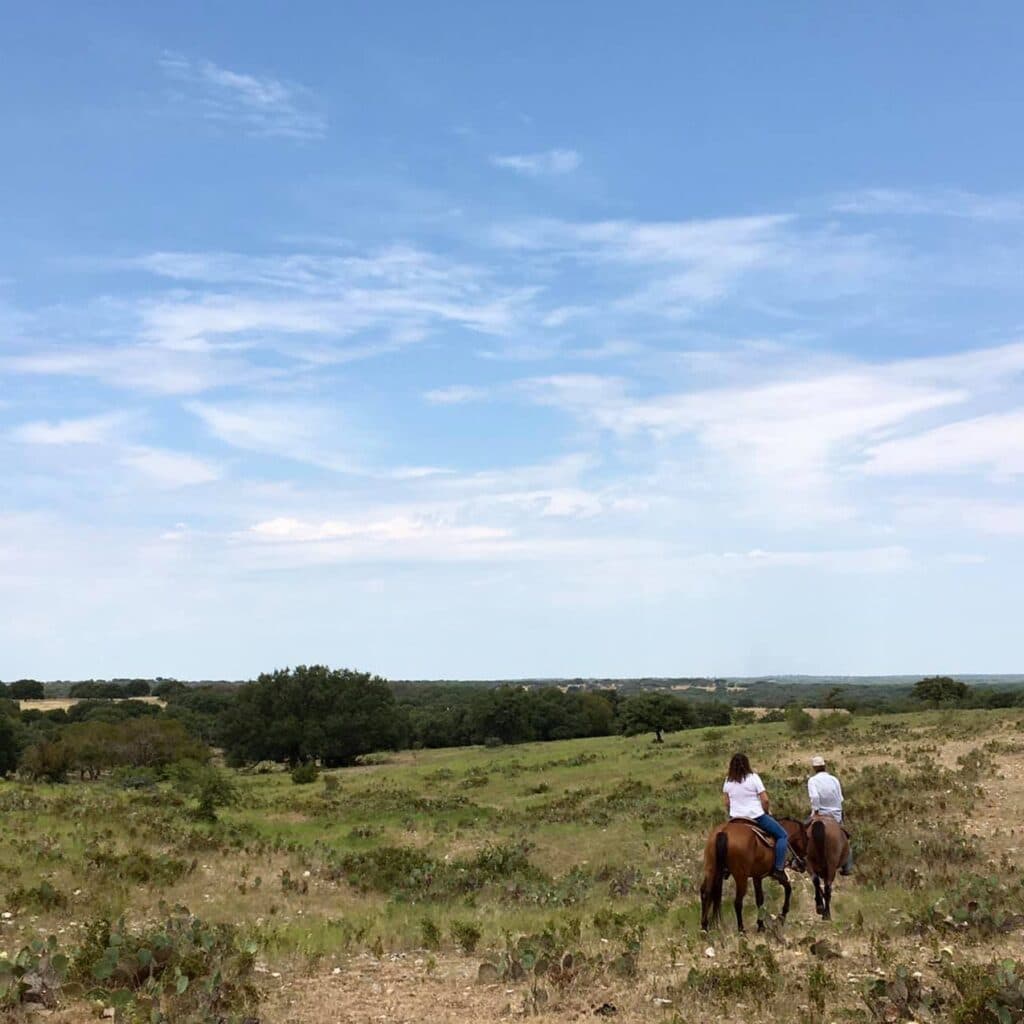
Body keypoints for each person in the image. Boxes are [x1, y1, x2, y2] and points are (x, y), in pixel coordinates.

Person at [722, 752, 789, 883]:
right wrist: (766, 812)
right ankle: (779, 869)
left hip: (736, 819)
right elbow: (765, 800)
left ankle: (725, 866)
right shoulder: (754, 778)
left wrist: (731, 814)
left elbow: (727, 803)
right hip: (756, 816)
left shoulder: (728, 780)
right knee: (782, 835)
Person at [807, 755, 853, 875]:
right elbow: (840, 798)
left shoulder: (812, 781)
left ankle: (799, 860)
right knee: (844, 835)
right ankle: (847, 865)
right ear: (824, 766)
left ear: (814, 768)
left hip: (820, 813)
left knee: (803, 833)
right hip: (836, 814)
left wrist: (816, 811)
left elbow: (814, 797)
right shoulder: (834, 779)